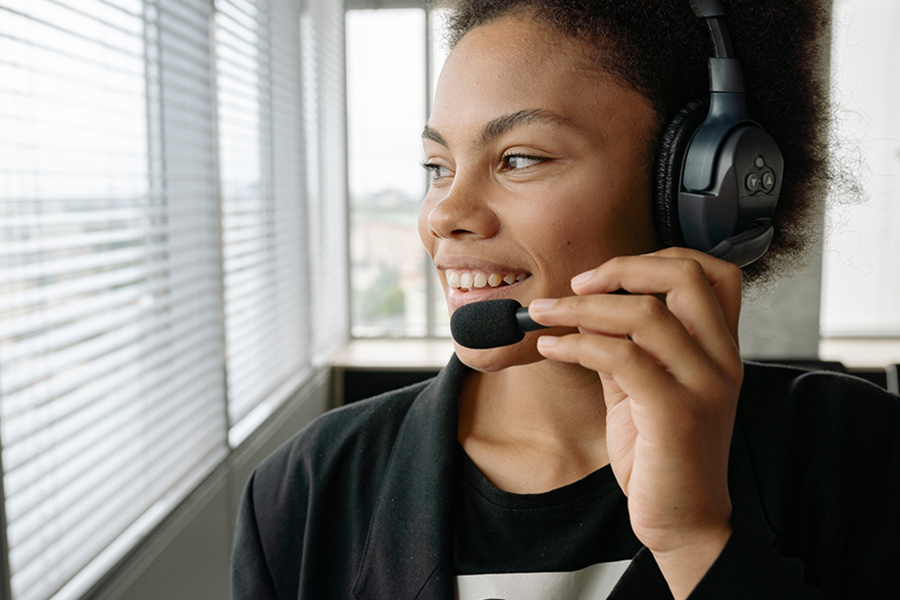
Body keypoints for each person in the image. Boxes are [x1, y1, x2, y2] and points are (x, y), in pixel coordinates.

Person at [231, 1, 900, 598]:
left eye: (519, 158)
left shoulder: (860, 455)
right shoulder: (305, 491)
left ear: (699, 196)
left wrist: (698, 541)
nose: (444, 215)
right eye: (437, 167)